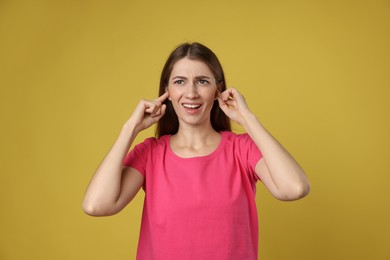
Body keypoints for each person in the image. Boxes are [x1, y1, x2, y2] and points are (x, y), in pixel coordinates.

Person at [82, 42, 310, 260]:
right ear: (167, 91)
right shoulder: (151, 154)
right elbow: (96, 205)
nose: (191, 93)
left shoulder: (241, 149)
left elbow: (294, 188)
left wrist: (248, 119)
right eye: (180, 81)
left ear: (217, 89)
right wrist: (130, 128)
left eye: (202, 81)